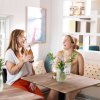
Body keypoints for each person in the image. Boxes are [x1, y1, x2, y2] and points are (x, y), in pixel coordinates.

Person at [4, 29, 45, 99]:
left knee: (40, 98)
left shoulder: (25, 51)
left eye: (25, 37)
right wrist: (23, 61)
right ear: (15, 38)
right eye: (22, 36)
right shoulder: (9, 52)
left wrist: (33, 81)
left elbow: (32, 70)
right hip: (15, 83)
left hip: (29, 81)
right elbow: (11, 71)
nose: (25, 39)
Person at [47, 35, 84, 100]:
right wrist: (57, 69)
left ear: (72, 44)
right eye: (63, 40)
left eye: (66, 40)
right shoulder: (59, 53)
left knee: (69, 95)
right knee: (52, 93)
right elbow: (54, 68)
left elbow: (81, 74)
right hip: (61, 82)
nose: (63, 41)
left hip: (74, 84)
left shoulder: (79, 56)